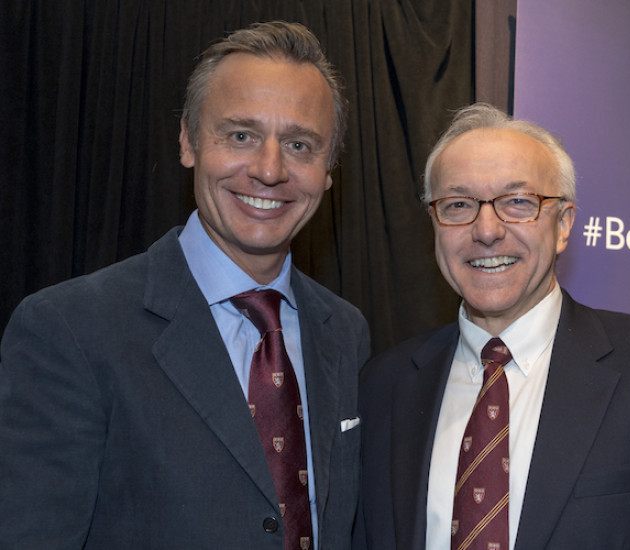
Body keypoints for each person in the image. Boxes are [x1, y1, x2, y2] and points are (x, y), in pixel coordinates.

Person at [0, 21, 369, 550]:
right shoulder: (70, 330)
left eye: (299, 144)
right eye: (240, 136)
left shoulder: (346, 333)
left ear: (329, 169)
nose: (269, 170)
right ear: (188, 141)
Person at [355, 103, 630, 549]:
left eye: (518, 202)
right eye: (458, 205)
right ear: (434, 224)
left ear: (564, 225)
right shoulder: (383, 386)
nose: (487, 230)